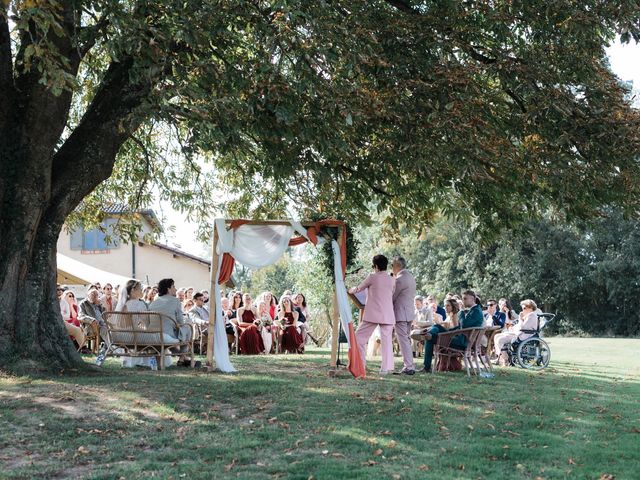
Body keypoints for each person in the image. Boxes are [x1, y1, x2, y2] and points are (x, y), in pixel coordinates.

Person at [348, 255, 395, 375]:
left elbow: (358, 289)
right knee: (387, 342)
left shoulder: (372, 277)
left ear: (376, 266)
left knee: (359, 339)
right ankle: (385, 369)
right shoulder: (392, 279)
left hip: (373, 314)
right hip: (388, 314)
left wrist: (349, 290)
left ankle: (361, 364)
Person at [419, 290, 483, 373]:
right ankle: (429, 333)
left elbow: (463, 325)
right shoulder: (473, 310)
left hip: (462, 342)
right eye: (463, 299)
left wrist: (462, 311)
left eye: (465, 299)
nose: (463, 301)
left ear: (473, 299)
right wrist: (448, 331)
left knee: (430, 339)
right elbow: (460, 328)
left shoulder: (476, 311)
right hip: (460, 338)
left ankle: (426, 367)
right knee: (437, 326)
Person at [149, 278, 194, 366]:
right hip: (167, 335)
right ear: (168, 289)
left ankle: (183, 357)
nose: (175, 289)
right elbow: (181, 321)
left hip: (152, 334)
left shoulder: (154, 302)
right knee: (188, 326)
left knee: (182, 330)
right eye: (173, 286)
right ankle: (182, 357)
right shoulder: (176, 301)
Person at [493, 299, 540, 365]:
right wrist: (513, 328)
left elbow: (523, 327)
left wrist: (520, 319)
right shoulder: (528, 316)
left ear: (530, 308)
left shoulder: (531, 316)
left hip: (523, 335)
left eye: (524, 308)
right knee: (496, 336)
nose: (523, 310)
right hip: (519, 333)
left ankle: (504, 359)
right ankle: (500, 356)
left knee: (500, 339)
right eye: (522, 308)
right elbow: (519, 326)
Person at [391, 256, 416, 375]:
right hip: (409, 312)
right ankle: (410, 364)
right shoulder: (410, 276)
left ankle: (409, 366)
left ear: (397, 266)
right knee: (406, 339)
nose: (391, 268)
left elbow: (393, 295)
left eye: (392, 265)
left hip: (401, 313)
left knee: (403, 340)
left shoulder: (400, 278)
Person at [78, 288, 104, 353]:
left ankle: (107, 348)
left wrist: (100, 305)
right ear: (88, 295)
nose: (94, 296)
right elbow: (80, 316)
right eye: (92, 294)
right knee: (105, 330)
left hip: (101, 324)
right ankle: (107, 349)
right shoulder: (83, 303)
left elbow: (103, 315)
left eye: (96, 295)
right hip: (90, 326)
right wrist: (92, 320)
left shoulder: (98, 305)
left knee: (108, 330)